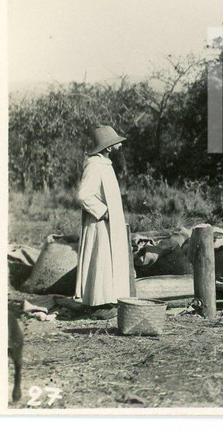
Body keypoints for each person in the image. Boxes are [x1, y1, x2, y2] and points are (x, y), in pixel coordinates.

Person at [75, 126, 136, 317]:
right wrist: (103, 212)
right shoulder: (94, 166)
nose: (119, 146)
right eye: (116, 143)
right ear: (107, 148)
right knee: (100, 260)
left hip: (110, 224)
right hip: (99, 224)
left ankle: (108, 300)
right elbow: (83, 195)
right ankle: (97, 303)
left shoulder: (105, 165)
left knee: (109, 261)